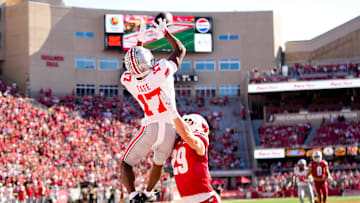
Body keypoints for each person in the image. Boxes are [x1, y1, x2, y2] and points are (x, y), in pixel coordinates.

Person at [120, 18, 186, 203]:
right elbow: (180, 51)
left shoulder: (128, 80)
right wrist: (165, 33)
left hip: (151, 127)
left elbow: (134, 68)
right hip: (171, 128)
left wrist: (138, 43)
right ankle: (148, 193)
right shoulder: (162, 68)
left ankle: (134, 197)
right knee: (158, 163)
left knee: (126, 164)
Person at [171, 114, 221, 202]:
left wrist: (173, 113)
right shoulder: (177, 143)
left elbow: (192, 140)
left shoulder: (199, 138)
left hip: (205, 198)